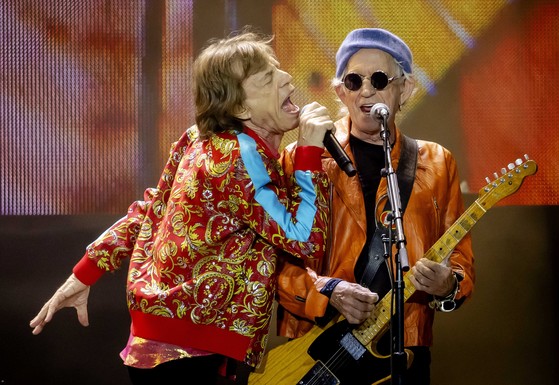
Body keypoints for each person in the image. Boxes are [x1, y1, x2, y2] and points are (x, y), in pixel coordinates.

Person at [29, 28, 334, 385]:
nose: (286, 78)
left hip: (160, 341)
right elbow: (305, 238)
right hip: (190, 349)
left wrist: (85, 272)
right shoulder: (240, 157)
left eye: (279, 69)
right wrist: (310, 152)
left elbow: (150, 212)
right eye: (268, 78)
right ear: (240, 107)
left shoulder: (197, 138)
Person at [276, 28, 476, 384]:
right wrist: (327, 291)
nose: (366, 91)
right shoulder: (303, 157)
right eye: (354, 81)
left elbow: (460, 262)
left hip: (406, 347)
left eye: (380, 79)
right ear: (340, 92)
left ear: (405, 89)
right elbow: (276, 262)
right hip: (320, 351)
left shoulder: (438, 162)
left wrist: (449, 285)